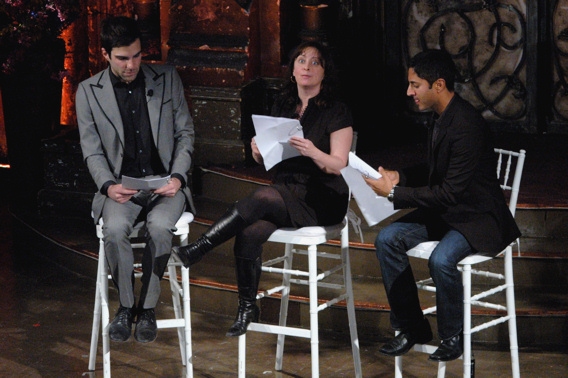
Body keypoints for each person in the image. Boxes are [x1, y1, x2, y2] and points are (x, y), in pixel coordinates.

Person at [173, 40, 354, 337]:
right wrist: (259, 150)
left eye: (315, 62)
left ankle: (200, 247)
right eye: (301, 60)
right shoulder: (283, 104)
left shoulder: (337, 110)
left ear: (325, 71)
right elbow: (272, 160)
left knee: (263, 196)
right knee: (249, 230)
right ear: (292, 69)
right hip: (286, 192)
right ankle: (247, 307)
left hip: (322, 196)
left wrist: (312, 151)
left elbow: (337, 165)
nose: (306, 67)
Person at [363, 49, 521, 362]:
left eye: (415, 85)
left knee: (441, 260)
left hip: (476, 216)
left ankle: (453, 336)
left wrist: (394, 194)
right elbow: (436, 168)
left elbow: (449, 192)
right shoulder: (441, 117)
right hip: (449, 212)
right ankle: (412, 327)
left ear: (438, 85)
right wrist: (402, 175)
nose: (409, 92)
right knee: (387, 240)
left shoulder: (466, 125)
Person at [76, 16, 195, 343]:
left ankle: (148, 307)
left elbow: (185, 133)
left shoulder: (167, 78)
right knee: (114, 230)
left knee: (159, 228)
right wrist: (109, 186)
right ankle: (126, 306)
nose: (131, 65)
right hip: (120, 189)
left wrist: (177, 178)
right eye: (122, 58)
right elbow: (92, 150)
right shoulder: (88, 91)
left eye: (137, 56)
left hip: (165, 187)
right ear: (105, 54)